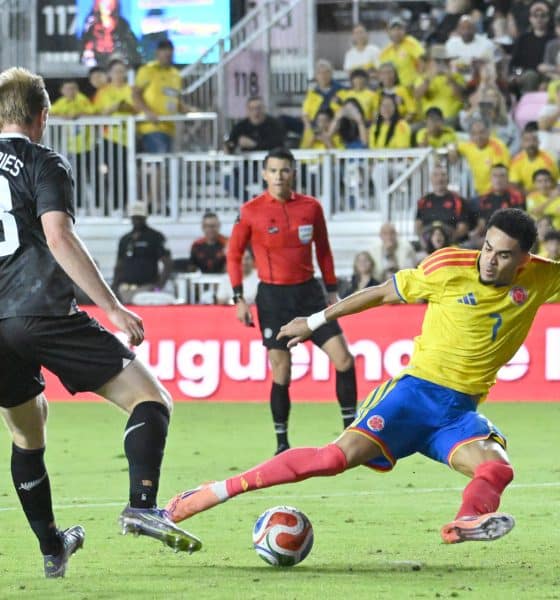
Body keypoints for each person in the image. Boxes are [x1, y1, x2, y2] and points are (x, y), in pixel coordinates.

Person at [166, 208, 555, 549]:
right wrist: (316, 320)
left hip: (457, 415)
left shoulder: (541, 278)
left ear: (524, 259)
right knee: (332, 459)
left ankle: (467, 520)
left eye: (503, 255)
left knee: (497, 468)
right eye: (487, 247)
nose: (489, 260)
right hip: (412, 397)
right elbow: (383, 293)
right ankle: (213, 492)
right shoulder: (448, 267)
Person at [0, 67, 200, 578]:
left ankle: (52, 547)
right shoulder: (43, 163)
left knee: (28, 431)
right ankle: (141, 503)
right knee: (150, 398)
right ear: (43, 116)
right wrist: (111, 306)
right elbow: (59, 236)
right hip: (40, 310)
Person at [225, 148, 357, 455]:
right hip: (273, 297)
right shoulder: (250, 211)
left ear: (293, 173)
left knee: (344, 359)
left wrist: (332, 288)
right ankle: (282, 443)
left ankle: (351, 432)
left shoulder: (310, 208)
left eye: (285, 170)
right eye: (273, 170)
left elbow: (323, 249)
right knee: (281, 372)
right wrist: (238, 298)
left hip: (309, 295)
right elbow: (233, 254)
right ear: (264, 174)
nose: (279, 176)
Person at [133, 39, 192, 153]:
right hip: (152, 127)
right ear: (157, 53)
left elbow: (175, 99)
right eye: (164, 52)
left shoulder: (175, 74)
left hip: (170, 128)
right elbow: (135, 95)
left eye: (169, 52)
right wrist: (147, 111)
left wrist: (186, 109)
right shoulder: (147, 70)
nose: (167, 55)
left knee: (169, 164)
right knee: (161, 161)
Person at [93, 58, 136, 211]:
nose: (119, 74)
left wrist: (126, 107)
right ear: (110, 73)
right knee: (103, 172)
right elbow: (98, 113)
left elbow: (136, 109)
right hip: (108, 138)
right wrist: (115, 107)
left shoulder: (131, 90)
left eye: (122, 71)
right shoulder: (103, 91)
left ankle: (120, 206)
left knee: (123, 173)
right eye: (116, 71)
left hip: (128, 139)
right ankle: (102, 204)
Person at [113, 202, 173, 303]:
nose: (137, 220)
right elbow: (119, 264)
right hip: (125, 289)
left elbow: (168, 263)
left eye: (139, 217)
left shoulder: (156, 237)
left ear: (145, 217)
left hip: (147, 288)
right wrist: (115, 286)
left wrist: (159, 286)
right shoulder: (125, 239)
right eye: (134, 217)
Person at [470, 164, 526, 248]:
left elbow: (520, 221)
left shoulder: (516, 197)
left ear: (507, 178)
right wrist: (475, 233)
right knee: (467, 246)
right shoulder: (484, 199)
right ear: (491, 179)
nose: (498, 179)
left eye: (502, 176)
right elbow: (482, 223)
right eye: (495, 176)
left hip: (511, 236)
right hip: (489, 236)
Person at [415, 165, 472, 245]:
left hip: (452, 244)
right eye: (436, 175)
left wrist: (444, 242)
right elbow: (418, 227)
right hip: (429, 245)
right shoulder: (423, 201)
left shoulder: (458, 201)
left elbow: (463, 229)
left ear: (448, 179)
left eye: (443, 175)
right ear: (431, 179)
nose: (439, 179)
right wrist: (425, 243)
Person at [80, 0, 141, 68]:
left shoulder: (123, 25)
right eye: (104, 3)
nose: (107, 6)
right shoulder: (90, 25)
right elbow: (85, 49)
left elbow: (133, 50)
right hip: (96, 67)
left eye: (110, 3)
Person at [378, 18, 425, 88]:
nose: (396, 32)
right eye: (393, 29)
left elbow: (423, 62)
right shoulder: (385, 52)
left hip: (411, 86)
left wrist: (417, 82)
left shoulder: (411, 43)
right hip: (394, 89)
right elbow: (382, 72)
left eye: (399, 29)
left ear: (404, 31)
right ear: (388, 32)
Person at [509, 129, 559, 194]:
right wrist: (531, 196)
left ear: (539, 142)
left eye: (534, 140)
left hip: (547, 195)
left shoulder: (550, 159)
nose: (531, 144)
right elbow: (514, 185)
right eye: (527, 140)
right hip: (526, 196)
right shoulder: (516, 161)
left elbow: (556, 182)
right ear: (522, 143)